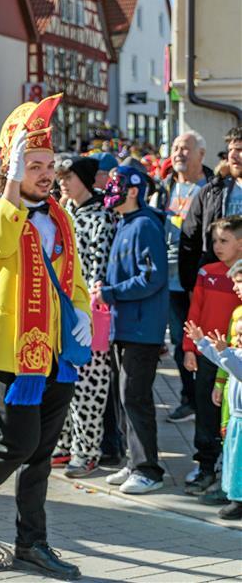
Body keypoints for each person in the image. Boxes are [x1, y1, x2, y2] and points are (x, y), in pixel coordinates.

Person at [0, 94, 91, 581]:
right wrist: (8, 185)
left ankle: (32, 544)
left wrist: (84, 315)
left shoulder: (61, 216)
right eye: (34, 164)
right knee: (18, 442)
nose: (46, 173)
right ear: (13, 168)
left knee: (41, 456)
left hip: (56, 352)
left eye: (50, 164)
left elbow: (76, 281)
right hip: (11, 350)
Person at [94, 166, 168, 495]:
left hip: (142, 329)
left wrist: (110, 292)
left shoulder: (145, 225)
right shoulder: (125, 224)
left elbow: (151, 277)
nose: (111, 189)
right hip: (125, 327)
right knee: (124, 398)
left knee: (134, 398)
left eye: (116, 184)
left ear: (134, 190)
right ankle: (134, 461)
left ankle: (148, 469)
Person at [51, 156, 115, 478]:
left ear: (86, 180)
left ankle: (87, 450)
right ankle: (63, 444)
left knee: (90, 386)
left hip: (89, 312)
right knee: (63, 383)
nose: (62, 182)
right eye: (60, 177)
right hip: (61, 308)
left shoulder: (101, 218)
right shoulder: (66, 214)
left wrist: (85, 311)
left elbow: (97, 271)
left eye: (69, 176)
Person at [180, 217, 242, 494]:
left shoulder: (239, 278)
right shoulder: (207, 273)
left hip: (235, 359)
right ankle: (205, 466)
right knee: (205, 411)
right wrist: (189, 348)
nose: (217, 246)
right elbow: (195, 312)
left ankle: (227, 472)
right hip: (208, 354)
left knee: (228, 417)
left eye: (224, 241)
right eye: (215, 240)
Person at [156, 132, 212, 422]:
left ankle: (207, 400)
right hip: (170, 280)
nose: (178, 153)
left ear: (201, 154)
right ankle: (188, 399)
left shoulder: (213, 187)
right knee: (180, 342)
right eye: (176, 148)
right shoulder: (166, 187)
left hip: (200, 279)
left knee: (205, 342)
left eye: (185, 149)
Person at [185, 279, 242, 521]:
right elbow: (225, 362)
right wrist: (202, 343)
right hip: (236, 419)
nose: (236, 338)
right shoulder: (236, 349)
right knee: (232, 457)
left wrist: (224, 352)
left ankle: (238, 500)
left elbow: (236, 368)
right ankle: (234, 495)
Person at [181, 126, 242, 289]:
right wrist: (191, 285)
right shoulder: (211, 192)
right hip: (217, 282)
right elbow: (190, 239)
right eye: (230, 150)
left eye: (240, 149)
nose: (233, 155)